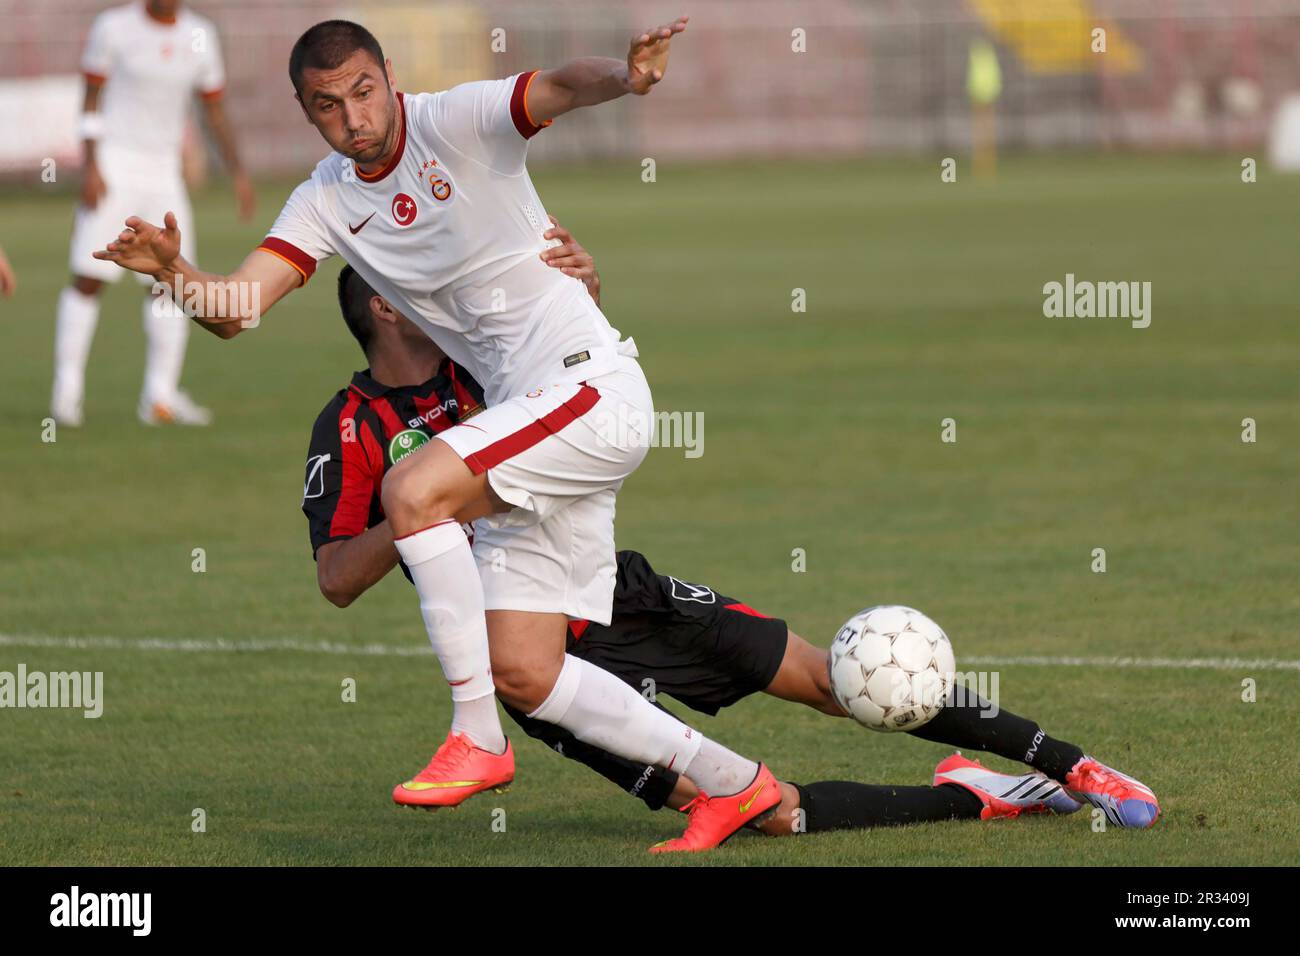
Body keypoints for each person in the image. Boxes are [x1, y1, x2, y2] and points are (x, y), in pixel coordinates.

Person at [95, 16, 802, 852]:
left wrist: (630, 75)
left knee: (411, 490)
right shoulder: (324, 197)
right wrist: (175, 276)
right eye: (329, 105)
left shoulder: (452, 120)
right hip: (530, 421)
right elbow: (239, 309)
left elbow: (560, 86)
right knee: (527, 670)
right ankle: (738, 786)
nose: (355, 117)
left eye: (364, 90)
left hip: (587, 386)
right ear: (305, 110)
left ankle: (478, 739)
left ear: (388, 76)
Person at [300, 223, 1161, 835]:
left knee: (836, 679)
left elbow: (580, 355)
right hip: (531, 665)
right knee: (765, 813)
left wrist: (585, 287)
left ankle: (1073, 765)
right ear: (382, 307)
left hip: (614, 591)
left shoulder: (489, 361)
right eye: (411, 282)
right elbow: (337, 576)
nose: (439, 287)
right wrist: (419, 508)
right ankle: (981, 796)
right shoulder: (351, 425)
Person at [57, 0, 254, 427]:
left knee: (170, 281)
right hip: (114, 166)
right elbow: (90, 100)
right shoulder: (113, 26)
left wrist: (237, 171)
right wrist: (90, 166)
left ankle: (159, 398)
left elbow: (213, 109)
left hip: (165, 173)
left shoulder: (200, 35)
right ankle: (66, 395)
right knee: (90, 277)